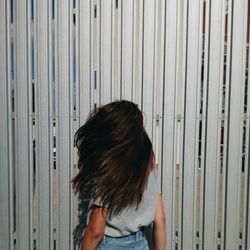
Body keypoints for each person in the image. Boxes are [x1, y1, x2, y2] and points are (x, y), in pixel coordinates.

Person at [72, 99, 166, 250]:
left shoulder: (110, 170)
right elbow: (160, 220)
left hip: (110, 245)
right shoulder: (149, 166)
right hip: (141, 244)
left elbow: (95, 231)